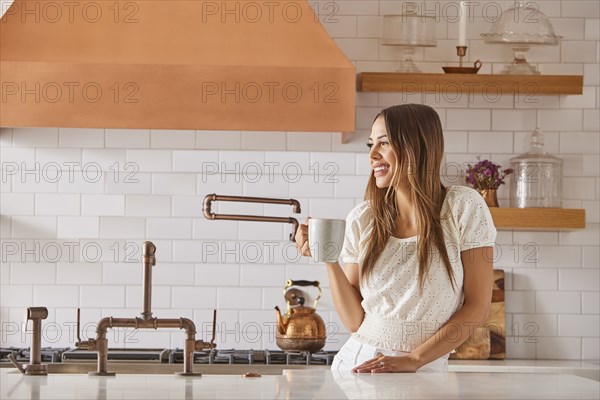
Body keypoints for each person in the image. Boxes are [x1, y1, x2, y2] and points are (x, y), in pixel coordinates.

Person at [295, 104, 496, 373]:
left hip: (424, 367)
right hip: (358, 364)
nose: (372, 155)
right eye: (370, 145)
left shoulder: (463, 206)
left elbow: (477, 307)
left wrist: (415, 360)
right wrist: (327, 257)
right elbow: (356, 322)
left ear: (417, 146)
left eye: (384, 143)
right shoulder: (363, 218)